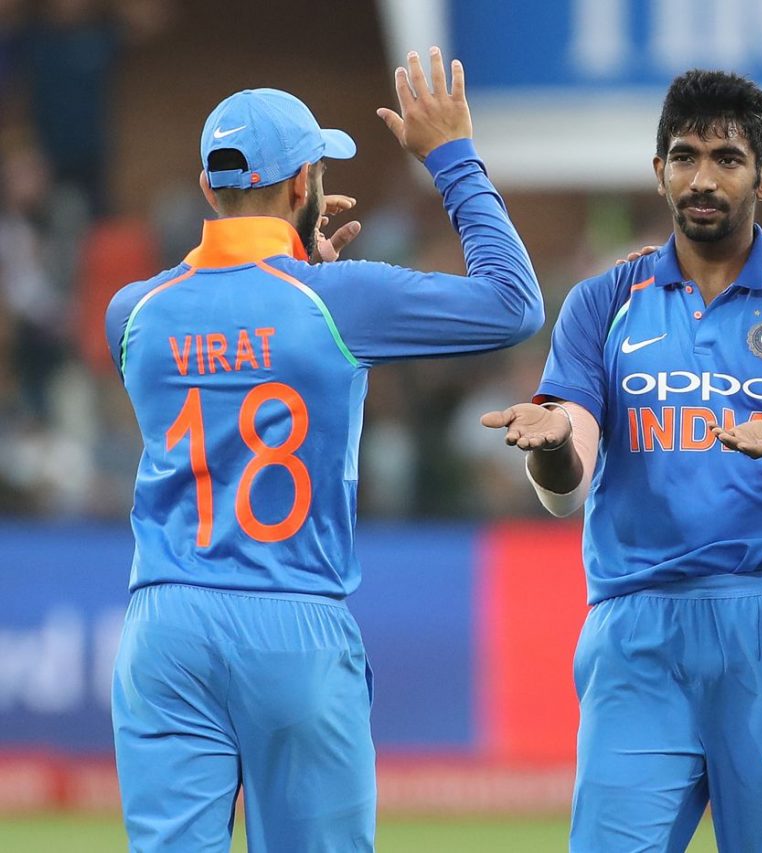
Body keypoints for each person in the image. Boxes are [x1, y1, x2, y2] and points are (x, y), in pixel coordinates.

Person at [105, 48, 542, 851]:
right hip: (291, 621)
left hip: (162, 623)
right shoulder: (338, 298)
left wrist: (299, 280)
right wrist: (452, 157)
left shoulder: (132, 311)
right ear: (304, 186)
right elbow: (515, 303)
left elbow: (224, 331)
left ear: (209, 188)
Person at [483, 69, 762, 851]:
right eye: (683, 155)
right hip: (637, 629)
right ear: (658, 170)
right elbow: (565, 490)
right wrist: (551, 449)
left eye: (727, 158)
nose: (702, 178)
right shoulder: (602, 302)